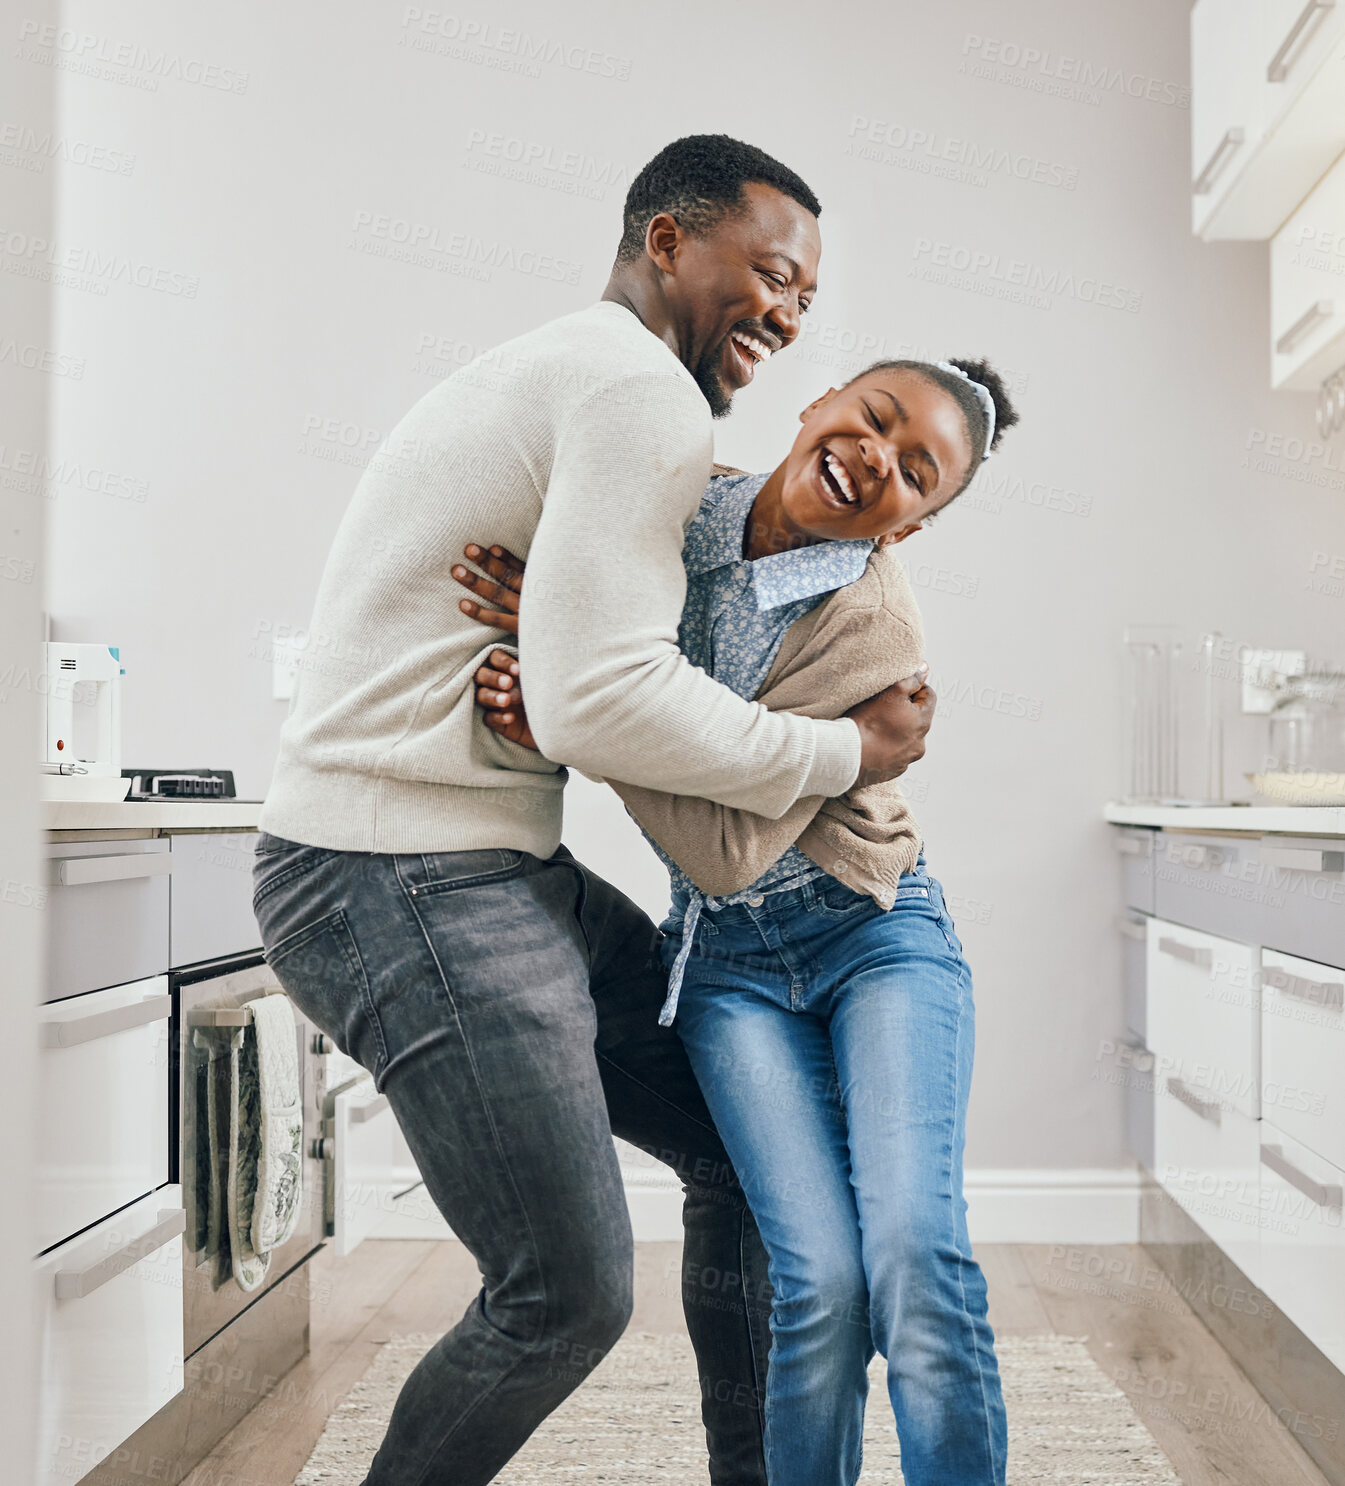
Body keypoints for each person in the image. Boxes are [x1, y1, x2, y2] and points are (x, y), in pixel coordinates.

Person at [251, 135, 934, 1486]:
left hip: (479, 861)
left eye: (806, 293)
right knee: (564, 1289)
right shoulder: (639, 394)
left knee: (750, 1150)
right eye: (769, 270)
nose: (789, 312)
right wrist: (839, 751)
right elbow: (600, 703)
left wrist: (572, 648)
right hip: (397, 870)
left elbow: (586, 671)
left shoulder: (581, 371)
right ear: (669, 243)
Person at [453, 353, 1019, 1486]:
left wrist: (574, 704)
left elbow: (725, 844)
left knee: (913, 1250)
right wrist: (573, 633)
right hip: (726, 971)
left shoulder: (873, 634)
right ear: (818, 400)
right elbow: (655, 708)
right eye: (873, 417)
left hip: (873, 934)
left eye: (916, 472)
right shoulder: (666, 506)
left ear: (909, 527)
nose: (875, 459)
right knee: (817, 1278)